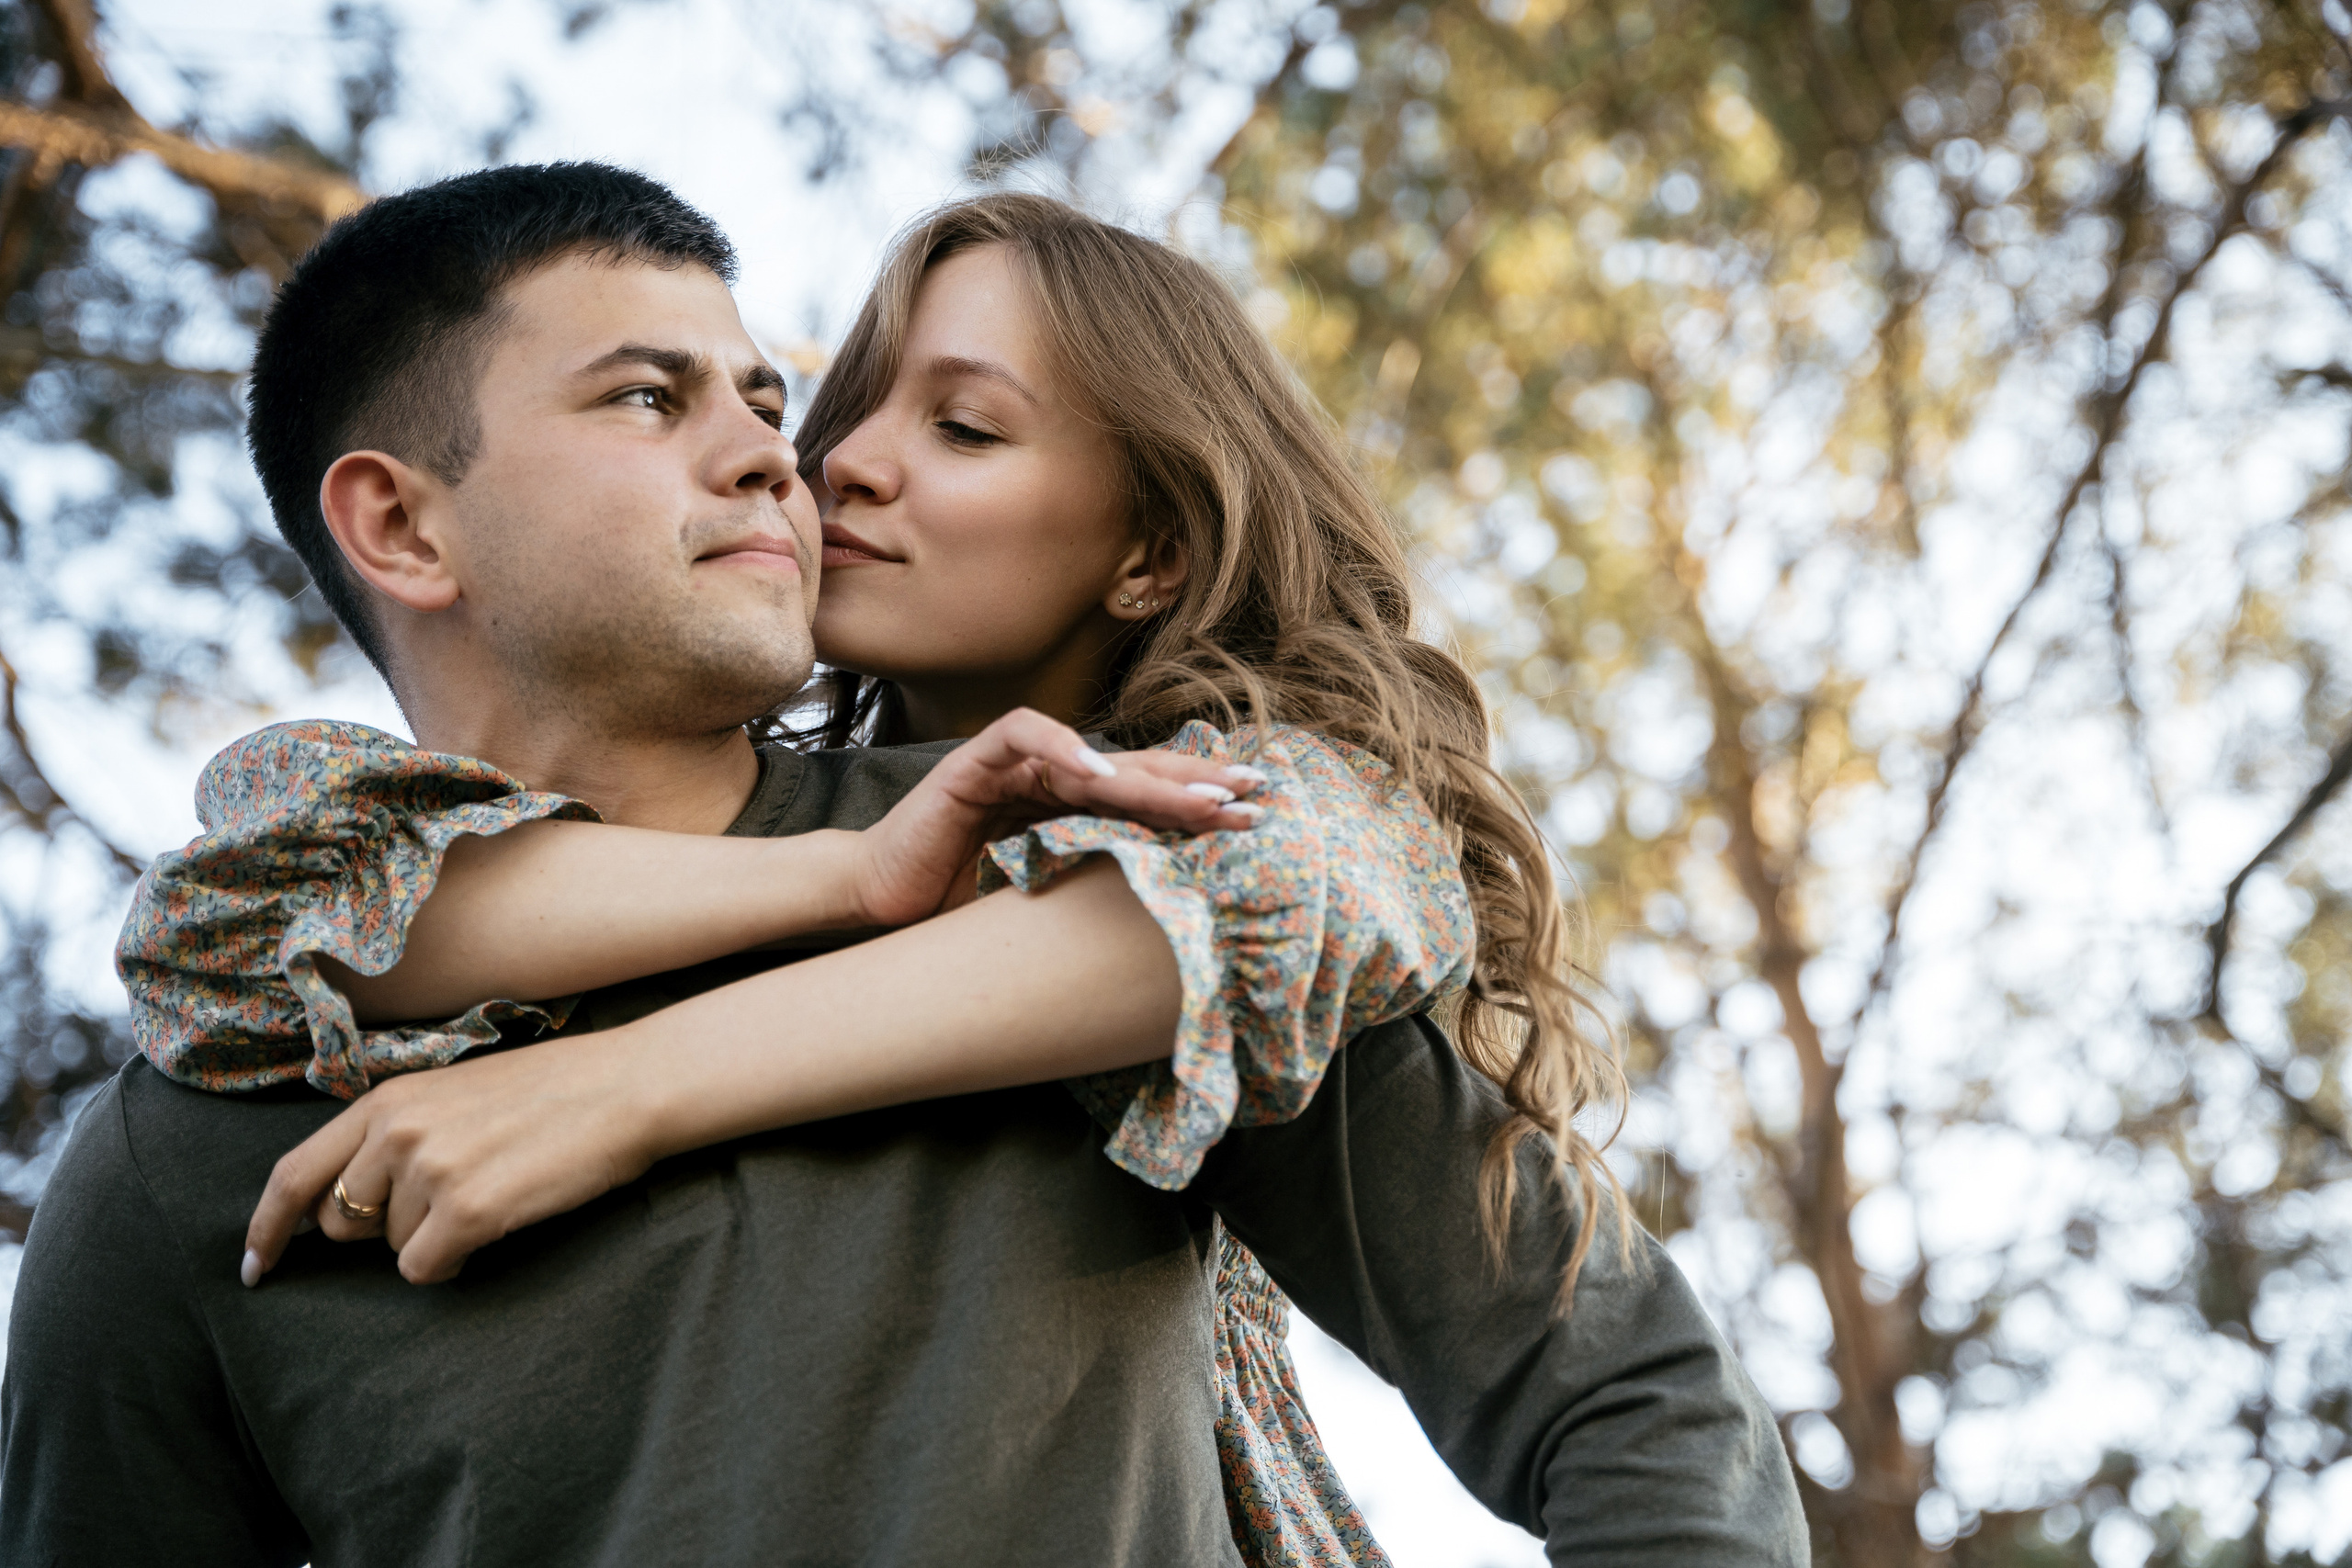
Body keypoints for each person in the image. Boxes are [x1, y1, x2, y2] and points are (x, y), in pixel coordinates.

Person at [2, 165, 1806, 1567]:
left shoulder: (1114, 887)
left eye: (769, 392)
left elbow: (1643, 1404)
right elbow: (224, 923)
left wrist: (654, 1063)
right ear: (400, 519)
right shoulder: (198, 1139)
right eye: (648, 397)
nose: (788, 458)